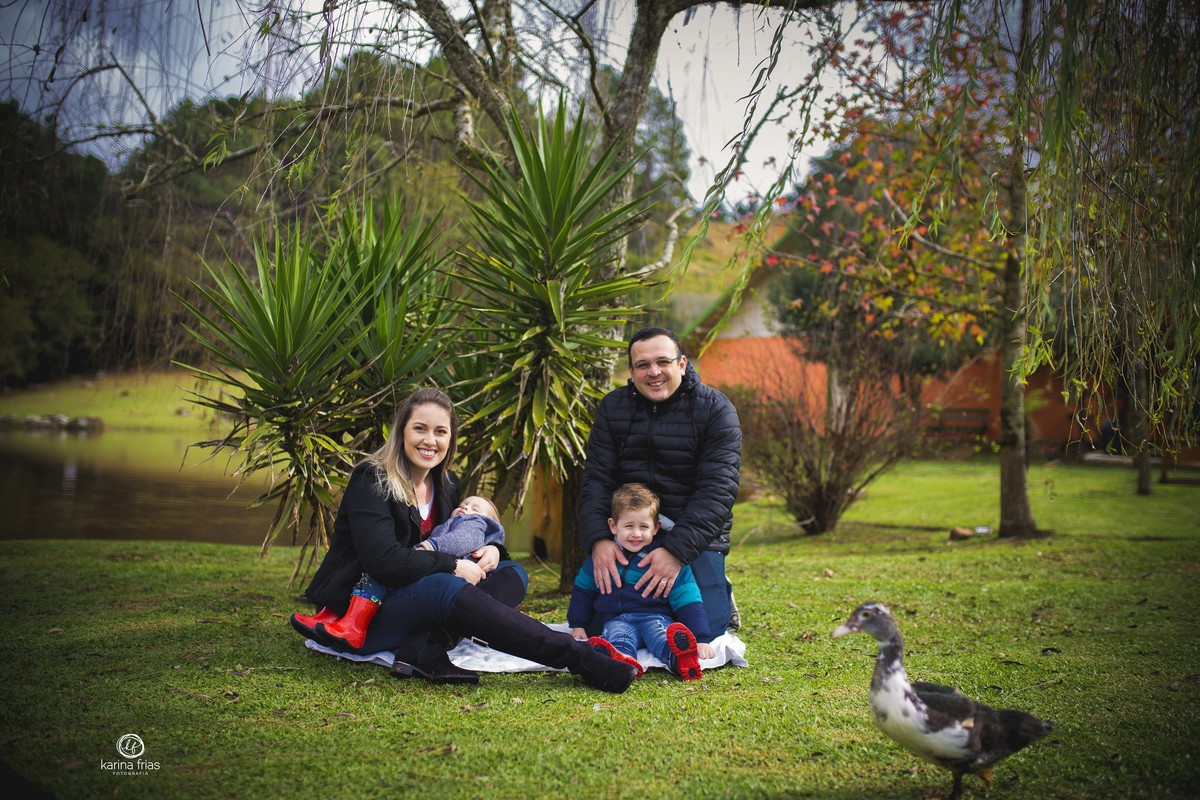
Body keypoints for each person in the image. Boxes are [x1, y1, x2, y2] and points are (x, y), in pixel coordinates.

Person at [290, 388, 637, 692]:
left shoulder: (446, 484)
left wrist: (490, 550)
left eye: (440, 432)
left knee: (513, 572)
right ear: (401, 432)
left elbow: (464, 534)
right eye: (420, 429)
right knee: (447, 587)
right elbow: (384, 562)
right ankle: (578, 657)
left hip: (422, 599)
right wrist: (455, 565)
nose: (430, 441)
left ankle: (427, 644)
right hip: (366, 612)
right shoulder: (372, 480)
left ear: (450, 440)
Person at [578, 326, 742, 638]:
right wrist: (599, 540)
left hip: (692, 535)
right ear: (631, 370)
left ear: (681, 364)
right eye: (643, 365)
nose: (654, 372)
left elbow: (717, 492)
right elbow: (597, 480)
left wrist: (675, 551)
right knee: (595, 627)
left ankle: (718, 586)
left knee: (701, 632)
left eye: (663, 362)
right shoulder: (613, 408)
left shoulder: (716, 410)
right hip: (632, 529)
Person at [298, 494, 506, 651]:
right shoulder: (462, 521)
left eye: (474, 508)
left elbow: (461, 541)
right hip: (441, 571)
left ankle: (353, 623)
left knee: (382, 575)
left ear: (490, 522)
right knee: (381, 573)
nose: (465, 508)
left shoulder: (474, 523)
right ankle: (343, 619)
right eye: (462, 505)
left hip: (445, 573)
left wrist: (427, 548)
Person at [568, 483, 715, 680]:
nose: (636, 534)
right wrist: (578, 624)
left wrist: (701, 638)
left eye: (644, 527)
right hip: (617, 619)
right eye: (628, 526)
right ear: (613, 525)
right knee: (617, 637)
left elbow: (687, 598)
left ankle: (679, 659)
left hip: (655, 617)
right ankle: (621, 663)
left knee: (662, 637)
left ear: (656, 528)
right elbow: (583, 592)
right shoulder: (602, 559)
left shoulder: (666, 560)